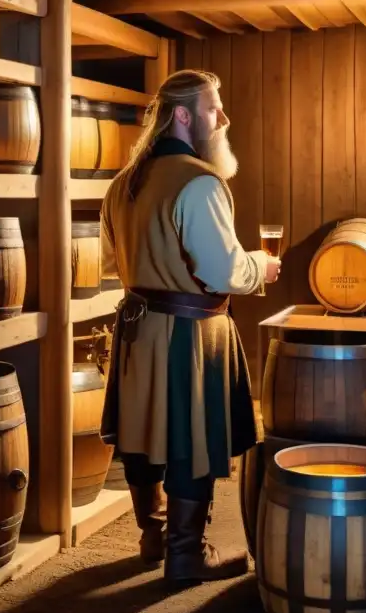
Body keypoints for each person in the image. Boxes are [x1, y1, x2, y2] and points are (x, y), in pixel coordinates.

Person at [98, 68, 282, 585]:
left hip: (136, 331)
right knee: (191, 439)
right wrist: (261, 268)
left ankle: (153, 536)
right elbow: (222, 272)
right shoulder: (201, 183)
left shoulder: (121, 184)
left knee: (143, 432)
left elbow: (114, 262)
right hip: (191, 334)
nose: (223, 116)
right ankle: (184, 556)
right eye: (212, 108)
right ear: (182, 115)